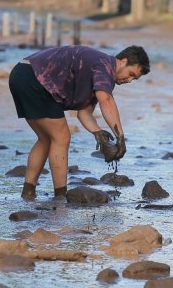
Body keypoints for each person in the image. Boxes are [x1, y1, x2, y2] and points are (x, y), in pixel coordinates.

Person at [8, 45, 150, 200]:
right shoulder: (104, 66)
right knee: (62, 138)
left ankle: (28, 192)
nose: (129, 80)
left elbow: (84, 112)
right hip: (34, 78)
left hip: (21, 74)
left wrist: (97, 132)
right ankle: (60, 198)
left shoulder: (100, 70)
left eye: (134, 79)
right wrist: (120, 137)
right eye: (131, 74)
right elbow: (106, 100)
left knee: (45, 139)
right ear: (123, 61)